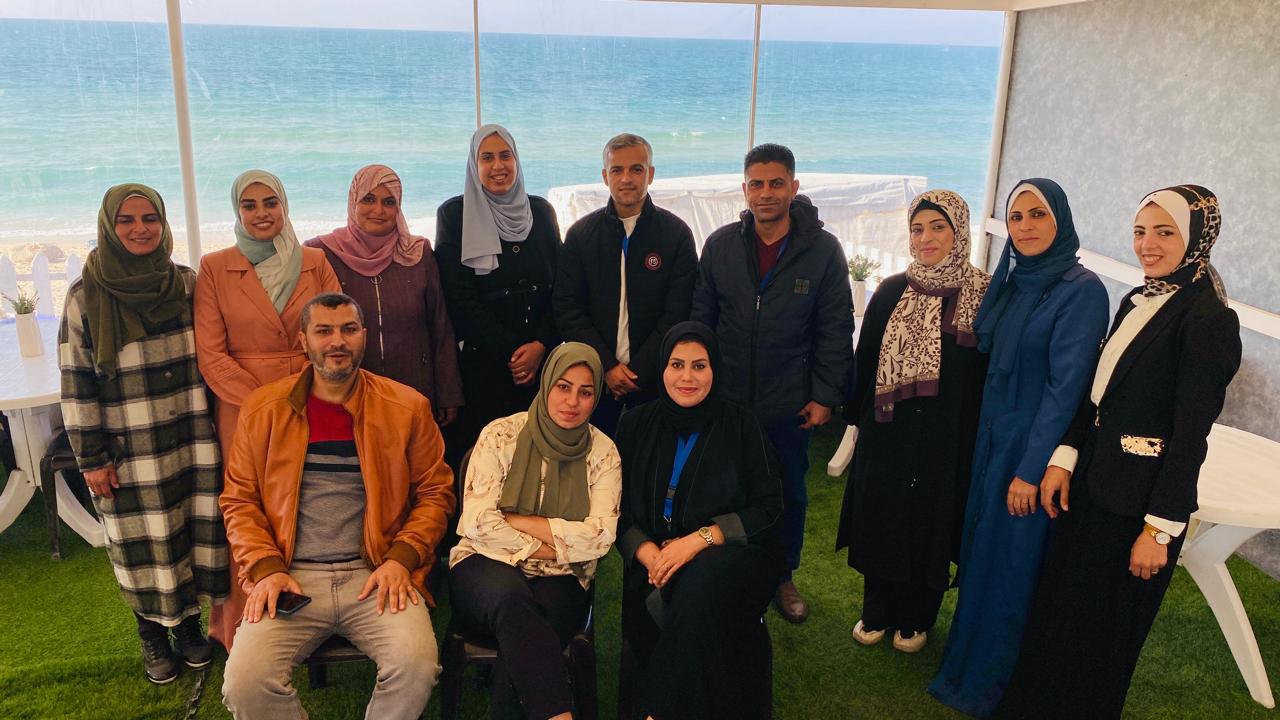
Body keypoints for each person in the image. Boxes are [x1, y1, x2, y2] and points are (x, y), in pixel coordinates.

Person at [996, 185, 1241, 719]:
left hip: (1137, 508)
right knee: (1059, 616)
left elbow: (1190, 437)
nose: (1147, 245)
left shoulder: (1209, 320)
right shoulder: (1136, 299)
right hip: (1089, 488)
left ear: (1198, 238)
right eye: (1140, 232)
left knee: (1101, 639)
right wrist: (1064, 457)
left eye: (1165, 232)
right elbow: (1096, 396)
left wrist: (1159, 530)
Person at [219, 293, 455, 720]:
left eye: (348, 329)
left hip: (376, 574)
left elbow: (436, 493)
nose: (337, 341)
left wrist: (401, 559)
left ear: (363, 335)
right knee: (245, 682)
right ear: (303, 340)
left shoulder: (406, 407)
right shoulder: (263, 409)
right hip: (291, 576)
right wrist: (266, 569)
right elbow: (240, 501)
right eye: (323, 331)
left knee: (416, 667)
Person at [928, 178, 1110, 717]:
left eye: (1038, 215)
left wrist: (1031, 470)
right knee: (982, 552)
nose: (1025, 227)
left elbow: (1066, 390)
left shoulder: (1082, 290)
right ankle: (964, 663)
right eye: (1016, 217)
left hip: (1030, 446)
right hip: (992, 438)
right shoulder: (1012, 280)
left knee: (1012, 565)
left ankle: (995, 684)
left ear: (1061, 220)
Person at [60, 183, 228, 683]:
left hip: (191, 437)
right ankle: (151, 633)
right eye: (127, 220)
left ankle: (189, 628)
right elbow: (76, 383)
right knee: (141, 543)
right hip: (129, 447)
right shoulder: (85, 296)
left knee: (191, 535)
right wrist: (92, 459)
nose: (140, 229)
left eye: (149, 218)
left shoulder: (188, 284)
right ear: (109, 226)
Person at [690, 143, 853, 623]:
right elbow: (701, 321)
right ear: (744, 189)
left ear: (793, 187)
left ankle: (782, 575)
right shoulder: (720, 245)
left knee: (787, 491)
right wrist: (699, 386)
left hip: (789, 402)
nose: (766, 193)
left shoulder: (823, 251)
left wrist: (825, 396)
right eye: (757, 184)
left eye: (776, 183)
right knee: (723, 486)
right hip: (726, 399)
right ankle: (721, 569)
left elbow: (835, 328)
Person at [835, 190, 990, 653]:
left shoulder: (982, 295)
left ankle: (917, 617)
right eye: (918, 229)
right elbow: (865, 364)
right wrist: (857, 425)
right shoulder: (890, 290)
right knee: (884, 518)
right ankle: (877, 610)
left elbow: (986, 374)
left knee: (932, 523)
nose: (926, 238)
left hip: (949, 437)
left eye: (938, 227)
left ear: (959, 231)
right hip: (890, 433)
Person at [195, 169, 341, 649]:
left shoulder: (316, 262)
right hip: (243, 408)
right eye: (250, 205)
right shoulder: (215, 267)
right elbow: (212, 355)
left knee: (311, 498)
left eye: (270, 202)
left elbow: (334, 332)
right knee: (249, 507)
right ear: (237, 211)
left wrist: (305, 391)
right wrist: (265, 403)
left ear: (284, 205)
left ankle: (317, 617)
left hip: (314, 398)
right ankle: (244, 625)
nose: (261, 213)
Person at [614, 321, 785, 720]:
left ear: (715, 370)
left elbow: (770, 507)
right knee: (688, 596)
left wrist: (699, 540)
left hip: (733, 558)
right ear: (662, 369)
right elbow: (613, 508)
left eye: (699, 365)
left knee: (700, 582)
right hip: (653, 564)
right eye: (676, 365)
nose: (687, 377)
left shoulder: (741, 425)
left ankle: (655, 712)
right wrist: (649, 552)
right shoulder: (635, 425)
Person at [449, 342, 621, 720]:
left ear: (596, 397)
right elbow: (477, 522)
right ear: (546, 384)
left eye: (585, 392)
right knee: (515, 603)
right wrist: (555, 544)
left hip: (563, 577)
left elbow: (600, 538)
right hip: (482, 564)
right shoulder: (501, 435)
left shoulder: (603, 453)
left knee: (525, 633)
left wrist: (519, 521)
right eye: (563, 386)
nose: (572, 401)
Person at [553, 133, 697, 436]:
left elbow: (678, 312)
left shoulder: (676, 235)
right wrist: (606, 366)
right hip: (595, 378)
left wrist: (637, 371)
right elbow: (568, 308)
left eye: (636, 169)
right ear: (605, 176)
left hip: (656, 378)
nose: (627, 178)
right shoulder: (581, 236)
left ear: (650, 174)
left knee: (651, 455)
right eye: (617, 170)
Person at [435, 124, 561, 465]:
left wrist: (540, 345)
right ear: (473, 165)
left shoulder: (542, 212)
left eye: (506, 156)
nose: (498, 166)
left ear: (517, 160)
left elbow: (561, 289)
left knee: (542, 462)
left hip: (544, 365)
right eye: (486, 158)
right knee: (489, 464)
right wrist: (514, 353)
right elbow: (459, 299)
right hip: (485, 369)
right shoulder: (455, 215)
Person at [305, 164, 463, 427]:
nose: (378, 210)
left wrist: (448, 392)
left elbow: (440, 325)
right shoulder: (321, 252)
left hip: (415, 388)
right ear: (353, 201)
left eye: (389, 202)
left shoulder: (416, 252)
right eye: (368, 199)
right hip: (347, 391)